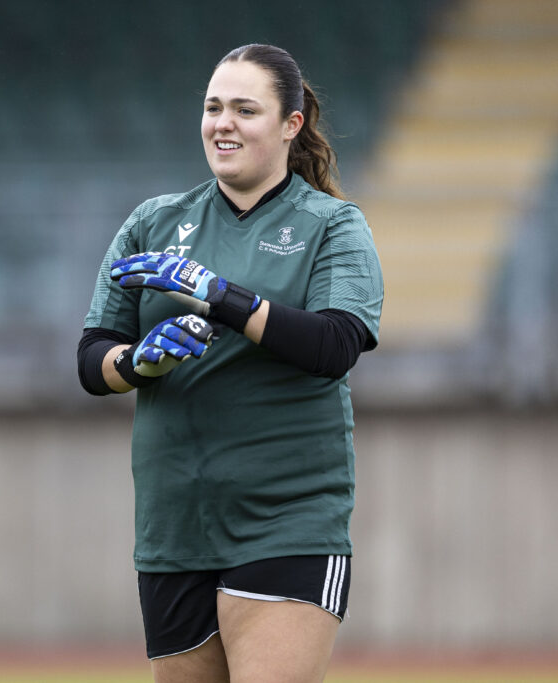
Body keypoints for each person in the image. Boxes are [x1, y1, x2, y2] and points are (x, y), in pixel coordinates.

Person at [77, 44, 384, 683]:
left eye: (246, 109)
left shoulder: (334, 226)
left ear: (290, 124)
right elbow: (91, 360)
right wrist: (139, 362)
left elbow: (334, 346)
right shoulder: (151, 222)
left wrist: (220, 295)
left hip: (288, 519)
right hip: (175, 523)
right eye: (214, 107)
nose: (223, 123)